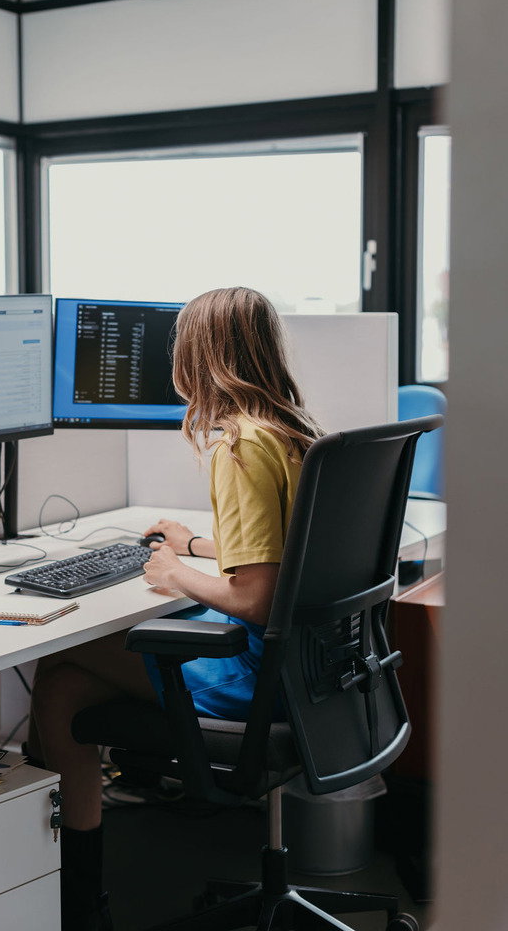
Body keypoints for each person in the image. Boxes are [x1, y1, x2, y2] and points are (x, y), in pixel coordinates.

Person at [28, 287, 324, 930]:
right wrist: (196, 545)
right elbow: (286, 559)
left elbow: (255, 596)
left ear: (198, 359)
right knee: (68, 684)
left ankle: (75, 901)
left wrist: (176, 572)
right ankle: (78, 899)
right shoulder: (288, 433)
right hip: (314, 674)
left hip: (257, 680)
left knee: (55, 664)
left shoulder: (238, 448)